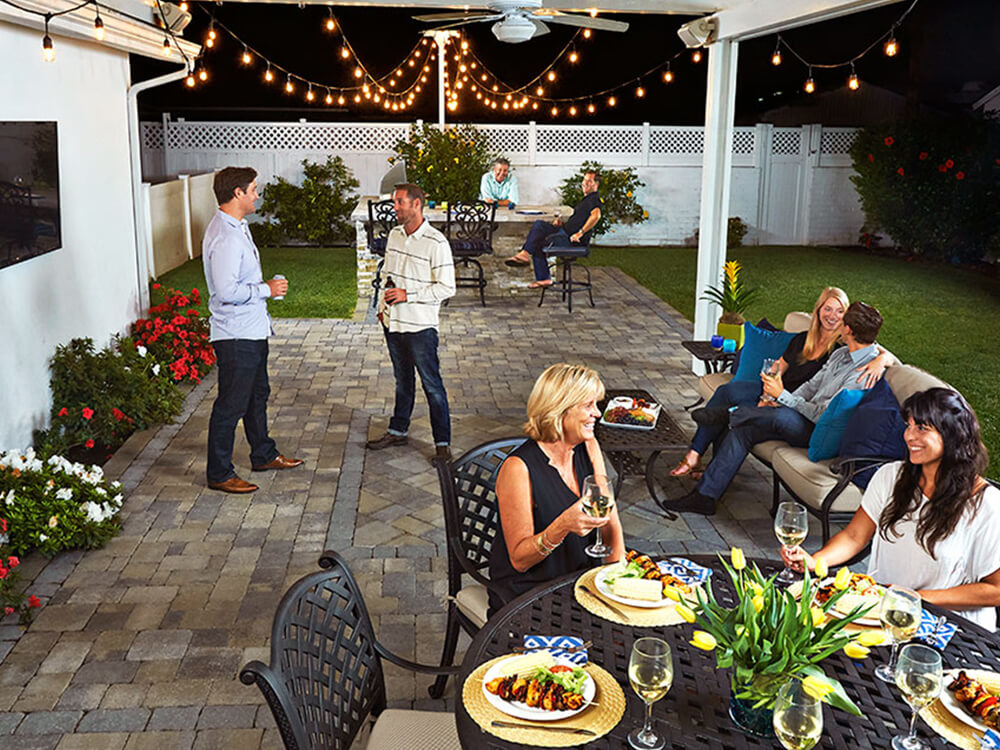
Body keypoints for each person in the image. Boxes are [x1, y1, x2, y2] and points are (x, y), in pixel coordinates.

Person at [782, 388, 1000, 631]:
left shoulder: (987, 505)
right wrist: (814, 561)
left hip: (948, 630)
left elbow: (996, 590)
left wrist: (918, 598)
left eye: (922, 428)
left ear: (953, 435)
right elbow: (855, 536)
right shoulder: (891, 477)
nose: (909, 436)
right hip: (882, 615)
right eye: (908, 426)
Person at [662, 302, 885, 516]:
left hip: (819, 432)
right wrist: (784, 399)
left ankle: (729, 413)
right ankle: (705, 497)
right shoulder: (841, 354)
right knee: (744, 430)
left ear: (848, 329)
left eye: (842, 319)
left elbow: (821, 415)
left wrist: (782, 397)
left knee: (778, 416)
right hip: (799, 412)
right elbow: (811, 386)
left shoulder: (863, 374)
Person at [489, 363, 626, 615]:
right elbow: (519, 560)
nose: (597, 413)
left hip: (580, 581)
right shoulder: (518, 468)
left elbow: (610, 524)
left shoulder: (589, 445)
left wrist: (617, 582)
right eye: (588, 405)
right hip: (529, 594)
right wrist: (562, 525)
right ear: (559, 410)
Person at [202, 167, 303, 493]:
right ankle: (219, 473)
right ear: (237, 193)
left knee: (257, 395)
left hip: (252, 331)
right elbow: (226, 291)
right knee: (231, 404)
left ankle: (263, 454)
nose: (257, 195)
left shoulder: (237, 227)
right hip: (235, 336)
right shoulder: (226, 236)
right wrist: (266, 289)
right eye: (254, 189)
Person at [366, 183, 456, 462]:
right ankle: (398, 430)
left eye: (400, 203)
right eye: (395, 202)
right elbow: (387, 275)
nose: (395, 208)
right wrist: (382, 306)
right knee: (402, 381)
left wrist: (409, 295)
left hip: (420, 327)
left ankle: (442, 443)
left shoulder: (437, 243)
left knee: (432, 384)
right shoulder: (394, 235)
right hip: (392, 323)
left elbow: (447, 288)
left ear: (417, 204)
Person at [504, 170, 603, 289]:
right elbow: (579, 220)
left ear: (596, 184)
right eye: (584, 180)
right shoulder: (587, 199)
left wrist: (580, 233)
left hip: (572, 241)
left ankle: (543, 278)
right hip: (563, 232)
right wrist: (561, 224)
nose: (585, 183)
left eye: (589, 181)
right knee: (539, 225)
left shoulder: (594, 199)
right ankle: (525, 254)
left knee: (538, 243)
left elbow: (596, 216)